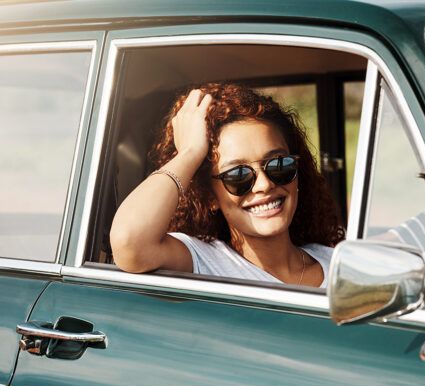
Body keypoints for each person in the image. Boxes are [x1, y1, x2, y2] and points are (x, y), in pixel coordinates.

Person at [110, 83, 344, 287]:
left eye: (278, 165)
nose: (264, 184)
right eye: (238, 175)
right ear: (209, 196)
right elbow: (129, 242)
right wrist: (190, 153)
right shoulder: (204, 262)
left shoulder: (338, 263)